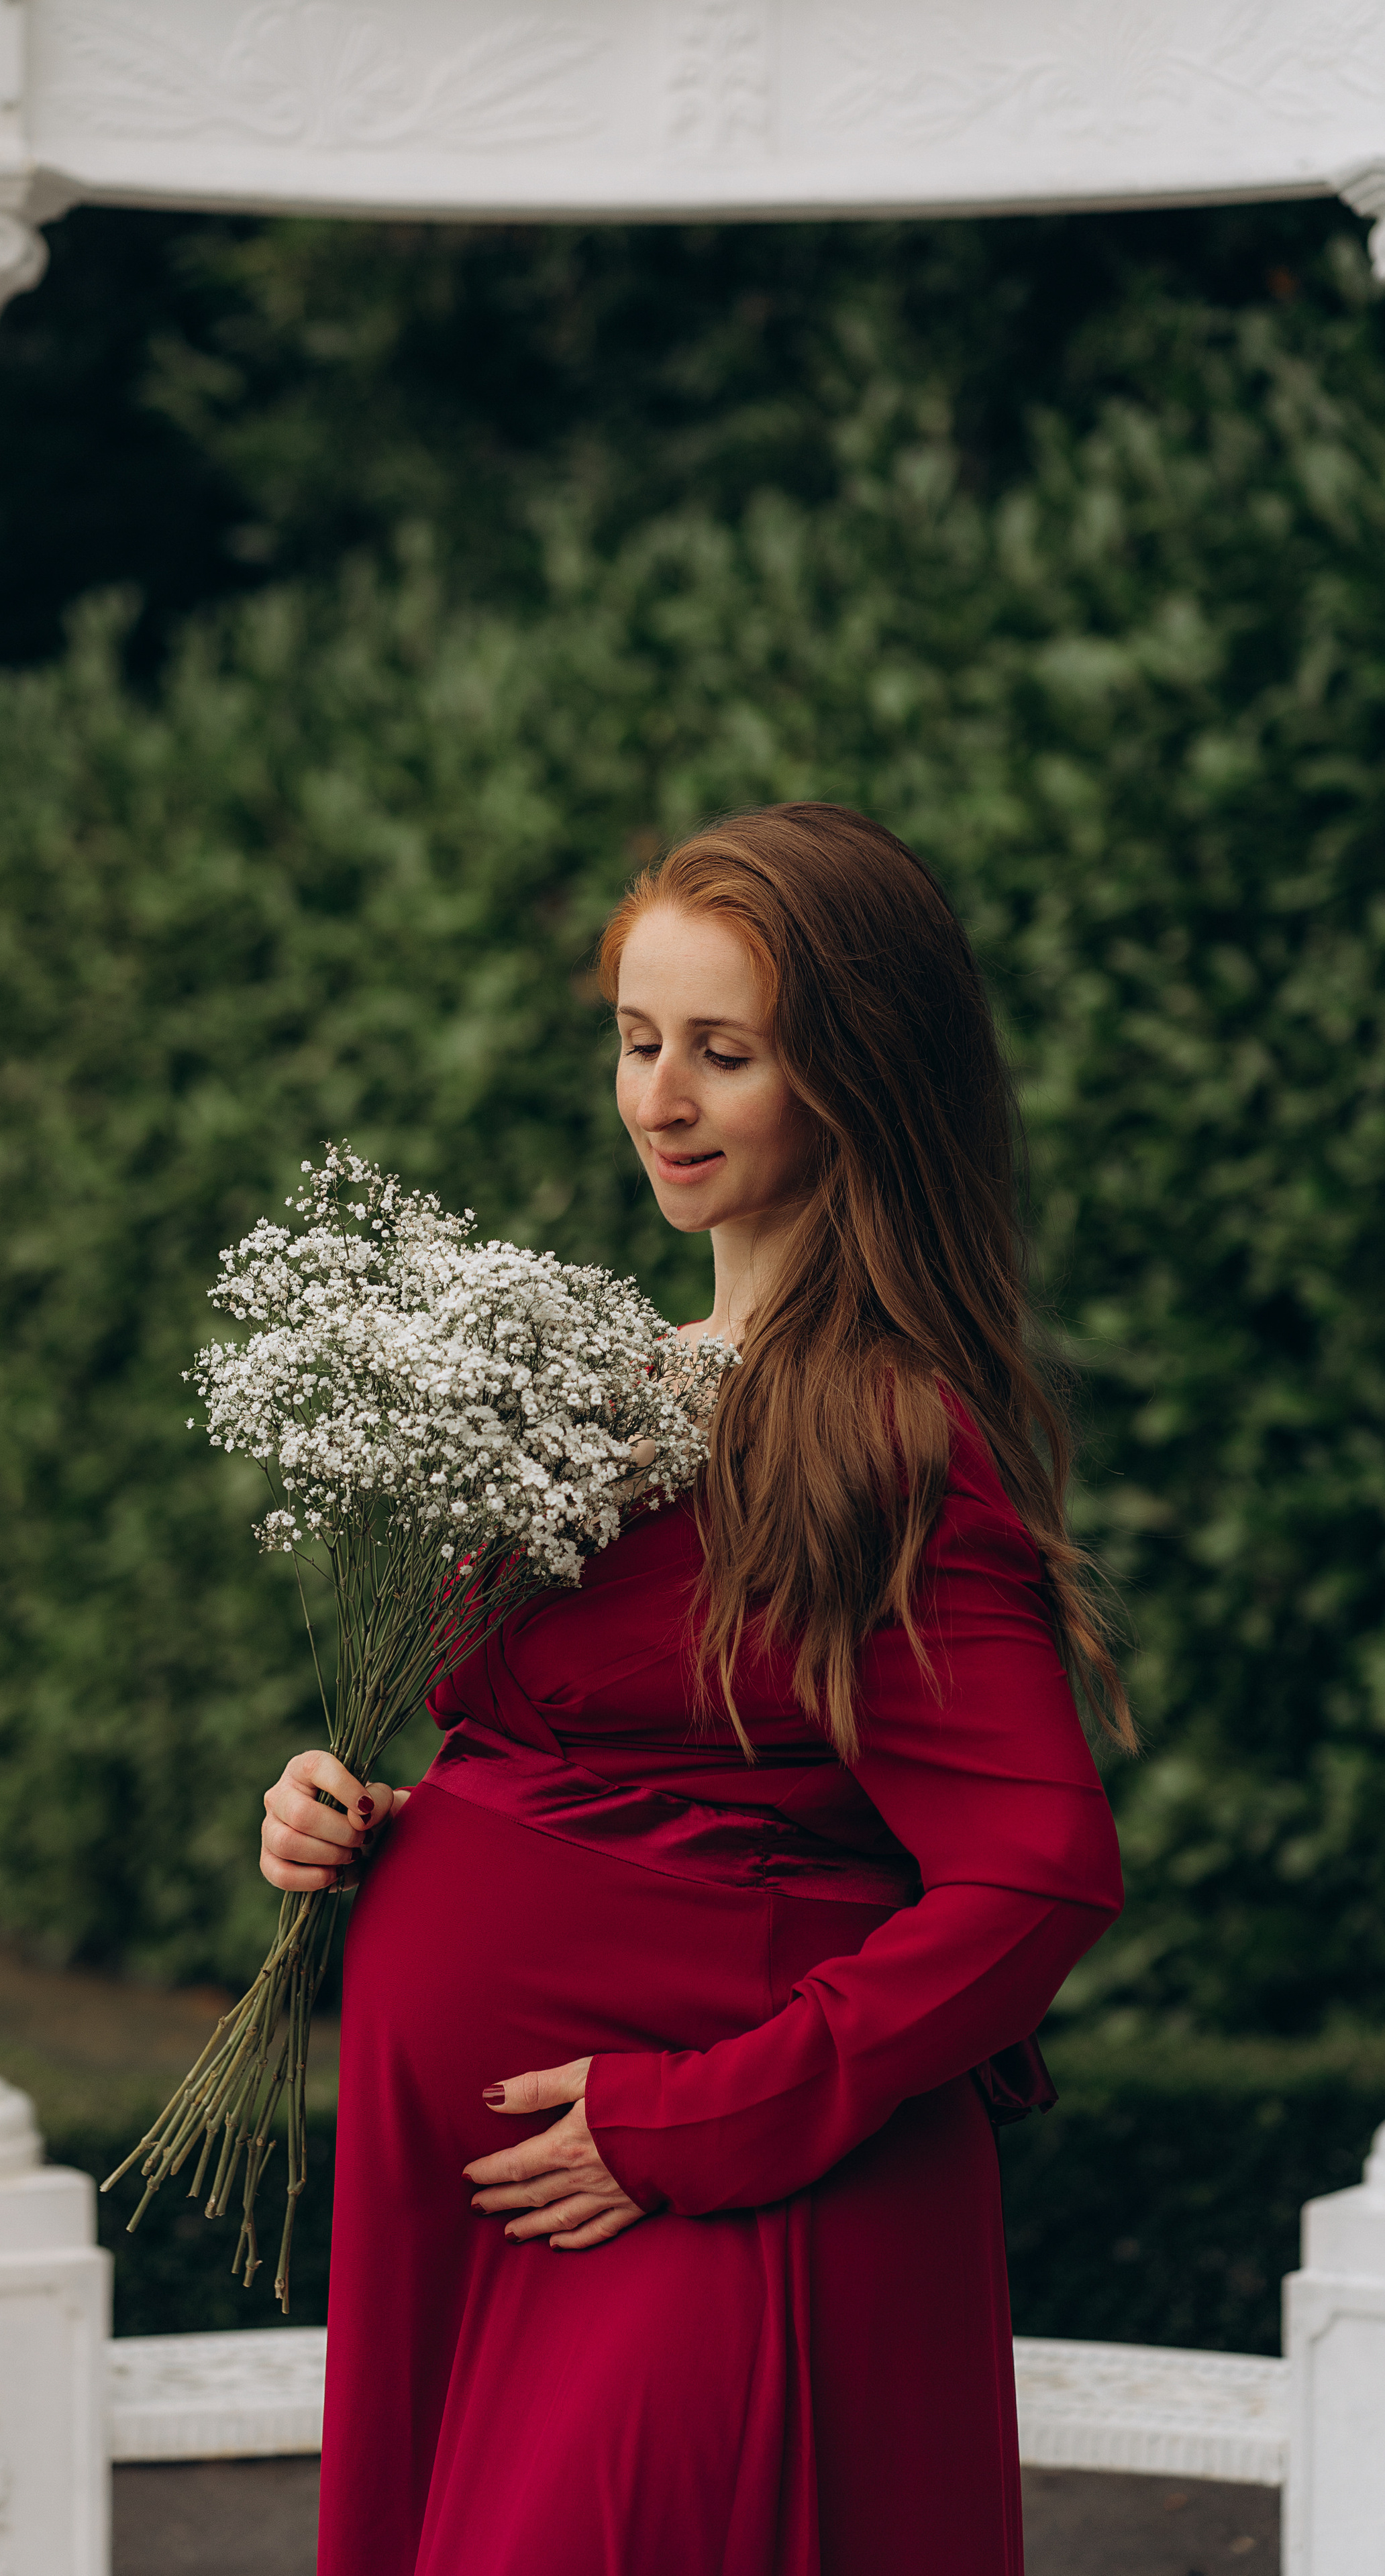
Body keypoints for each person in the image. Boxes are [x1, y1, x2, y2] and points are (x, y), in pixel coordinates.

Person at [258, 803, 1131, 2576]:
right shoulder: (607, 1381)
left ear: (859, 1078)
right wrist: (378, 1825)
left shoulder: (885, 1432)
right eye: (638, 1042)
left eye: (725, 1055)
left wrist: (695, 2123)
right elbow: (637, 1767)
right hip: (503, 2215)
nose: (659, 1100)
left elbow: (1035, 1875)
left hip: (708, 2208)